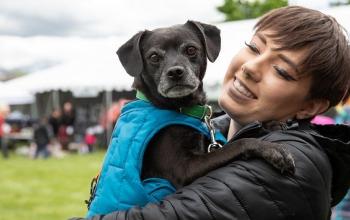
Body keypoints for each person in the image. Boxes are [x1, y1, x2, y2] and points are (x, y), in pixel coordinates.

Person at [71, 6, 350, 220]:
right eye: (254, 47)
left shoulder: (293, 169)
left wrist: (246, 146)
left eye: (281, 70)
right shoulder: (188, 124)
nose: (251, 67)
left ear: (309, 107)